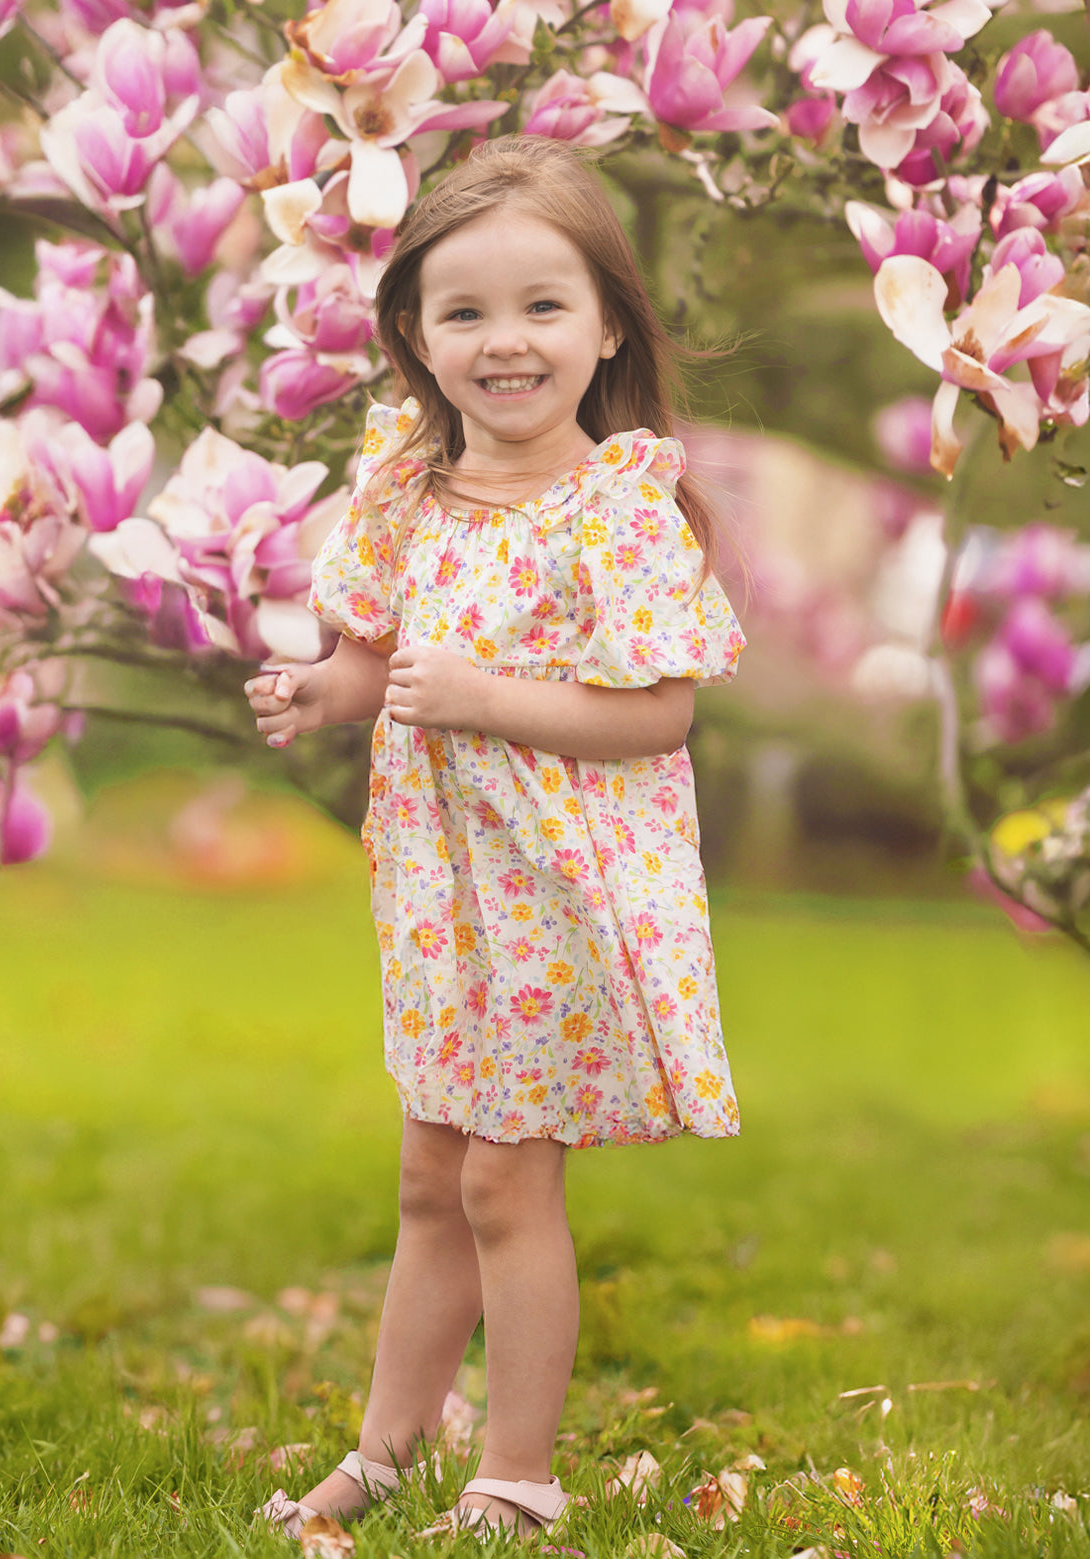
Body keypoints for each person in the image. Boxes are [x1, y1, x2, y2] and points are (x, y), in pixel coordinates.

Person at [244, 134, 745, 1542]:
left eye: (542, 306)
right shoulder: (406, 493)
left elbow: (660, 715)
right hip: (441, 891)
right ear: (413, 331)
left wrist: (487, 700)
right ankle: (389, 1449)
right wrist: (316, 691)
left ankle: (516, 1475)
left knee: (503, 1179)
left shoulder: (616, 508)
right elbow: (374, 668)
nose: (505, 342)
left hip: (566, 891)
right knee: (428, 1172)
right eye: (465, 312)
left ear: (604, 329)